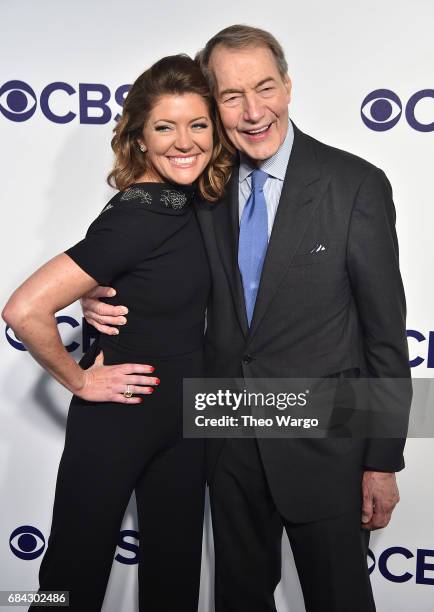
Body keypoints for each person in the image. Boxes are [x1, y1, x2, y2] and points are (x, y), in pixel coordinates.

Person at [81, 26, 411, 612]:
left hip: (326, 449)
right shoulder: (201, 181)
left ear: (288, 86)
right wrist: (96, 295)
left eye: (264, 89)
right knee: (235, 598)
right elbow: (140, 258)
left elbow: (385, 337)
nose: (253, 112)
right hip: (227, 441)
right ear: (215, 104)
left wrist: (382, 461)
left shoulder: (353, 184)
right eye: (231, 96)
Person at [2, 54, 233, 612]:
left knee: (174, 578)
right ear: (139, 138)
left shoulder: (193, 202)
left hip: (187, 416)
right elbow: (25, 308)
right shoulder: (134, 215)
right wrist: (81, 382)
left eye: (197, 124)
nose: (184, 142)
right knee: (69, 579)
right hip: (118, 419)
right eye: (164, 127)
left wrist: (103, 286)